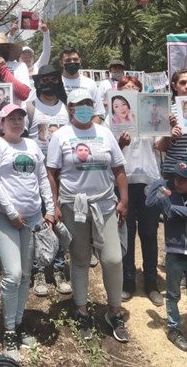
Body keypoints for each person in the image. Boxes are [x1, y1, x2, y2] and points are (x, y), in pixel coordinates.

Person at [47, 89, 130, 343]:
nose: (83, 108)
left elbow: (118, 168)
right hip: (74, 206)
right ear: (70, 108)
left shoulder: (104, 133)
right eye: (78, 104)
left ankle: (114, 311)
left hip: (105, 204)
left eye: (87, 103)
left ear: (93, 106)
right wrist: (56, 204)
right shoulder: (60, 136)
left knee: (113, 259)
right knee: (81, 259)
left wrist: (124, 199)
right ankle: (81, 309)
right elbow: (52, 172)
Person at [0, 103, 56, 358]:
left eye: (20, 118)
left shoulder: (32, 145)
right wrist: (12, 213)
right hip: (5, 218)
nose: (16, 122)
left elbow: (43, 178)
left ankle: (18, 322)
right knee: (12, 274)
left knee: (26, 274)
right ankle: (8, 329)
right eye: (11, 118)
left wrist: (50, 207)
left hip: (33, 216)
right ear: (2, 123)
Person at [145, 161, 187, 357]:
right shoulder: (170, 196)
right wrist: (159, 182)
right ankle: (174, 329)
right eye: (175, 178)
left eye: (183, 179)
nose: (177, 182)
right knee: (173, 295)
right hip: (174, 254)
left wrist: (175, 210)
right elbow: (149, 203)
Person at [115, 75, 164, 306]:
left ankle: (151, 283)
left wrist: (168, 131)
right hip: (123, 182)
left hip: (149, 182)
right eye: (126, 89)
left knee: (149, 232)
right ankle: (128, 281)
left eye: (135, 88)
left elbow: (159, 146)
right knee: (126, 232)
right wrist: (120, 142)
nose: (131, 91)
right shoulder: (111, 118)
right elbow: (108, 149)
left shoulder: (151, 114)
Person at [25, 67, 71, 297]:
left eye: (53, 79)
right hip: (36, 174)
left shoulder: (66, 107)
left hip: (62, 174)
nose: (49, 83)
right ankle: (39, 271)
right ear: (38, 82)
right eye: (44, 79)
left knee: (59, 221)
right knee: (39, 223)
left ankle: (60, 268)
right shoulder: (30, 107)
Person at [59, 47, 103, 116]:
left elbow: (99, 113)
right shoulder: (56, 83)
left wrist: (87, 126)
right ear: (61, 63)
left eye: (75, 59)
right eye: (68, 60)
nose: (72, 62)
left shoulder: (90, 83)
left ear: (80, 61)